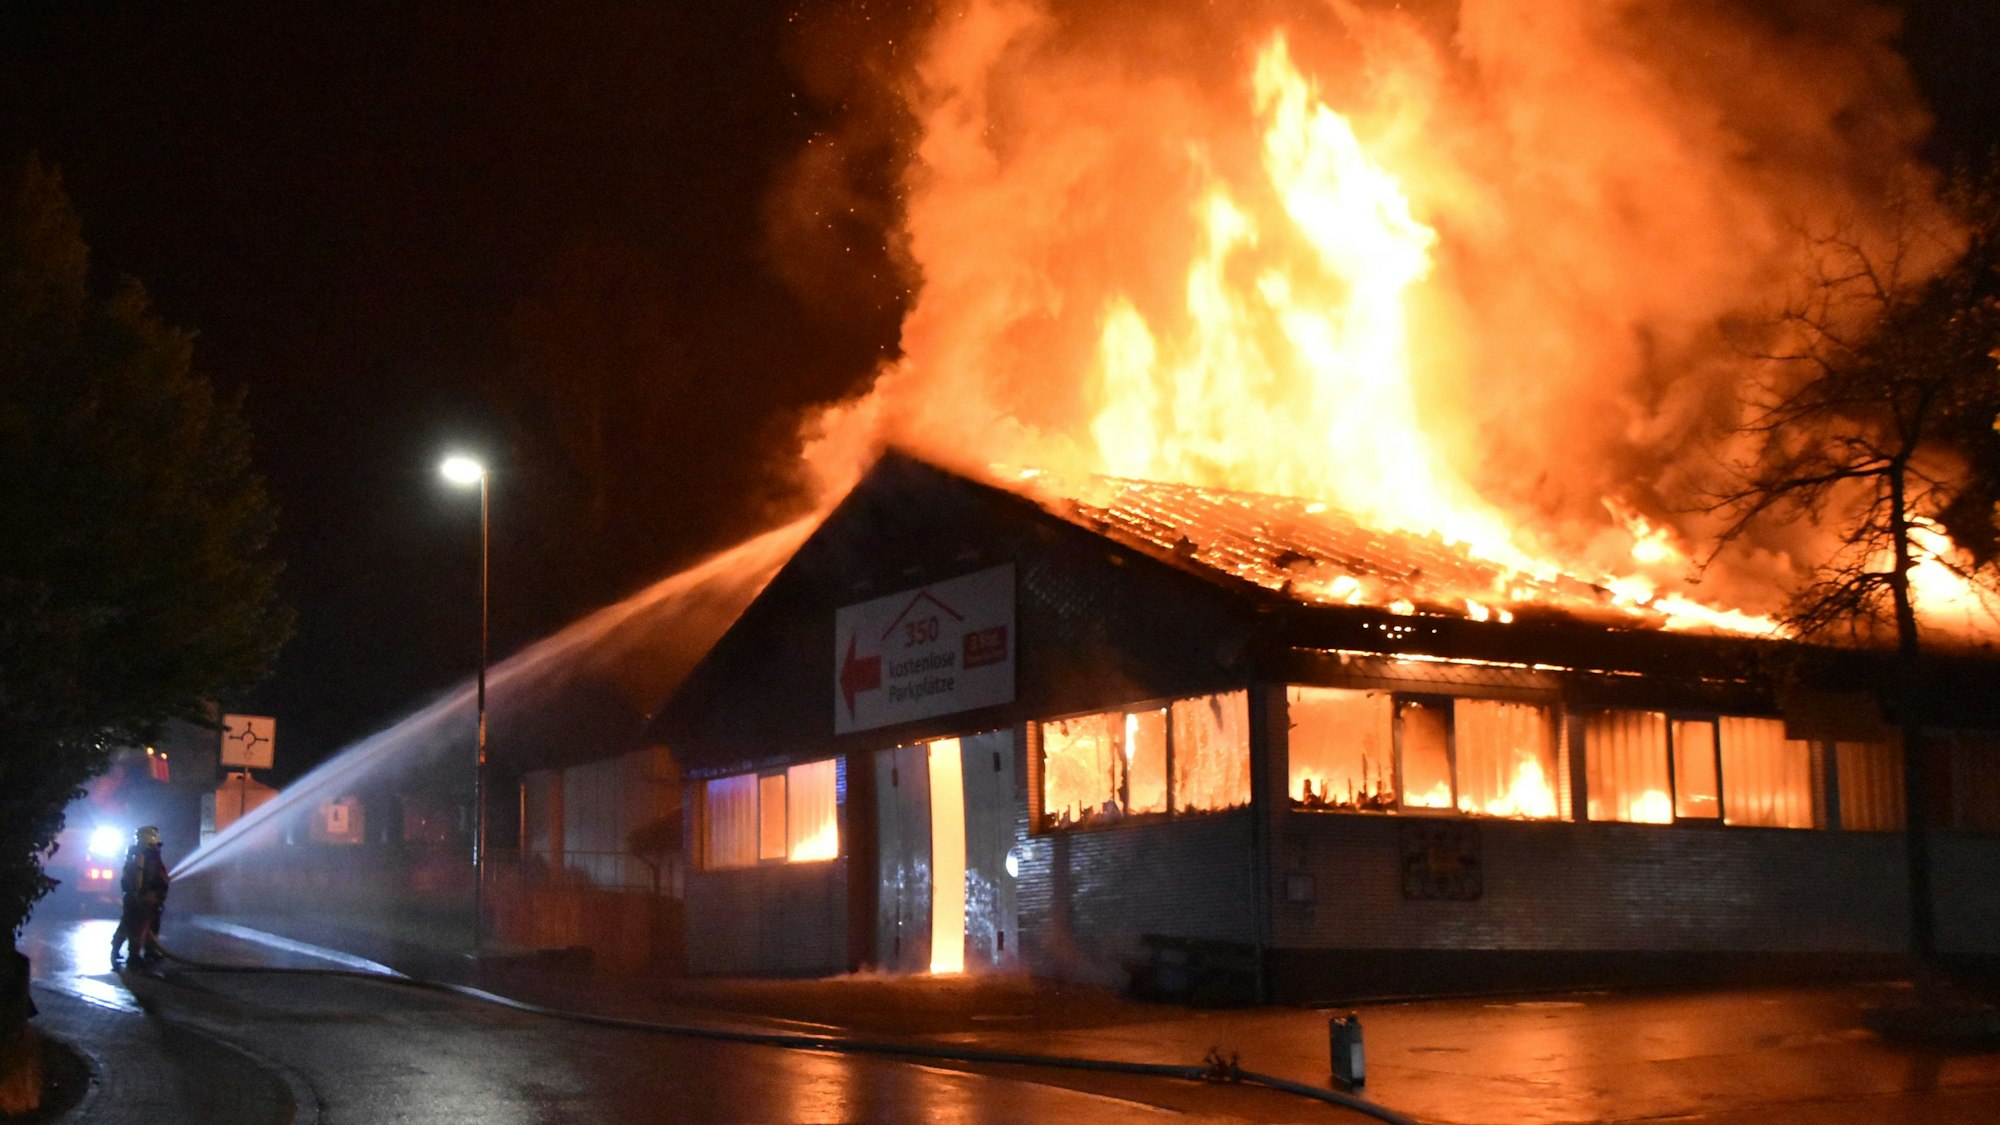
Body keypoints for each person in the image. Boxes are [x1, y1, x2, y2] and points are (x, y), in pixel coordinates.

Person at [109, 825, 169, 965]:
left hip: (135, 896)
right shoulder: (149, 856)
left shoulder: (134, 854)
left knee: (131, 923)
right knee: (139, 925)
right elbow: (152, 877)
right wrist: (151, 894)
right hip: (145, 897)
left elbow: (127, 878)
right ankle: (134, 956)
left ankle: (140, 950)